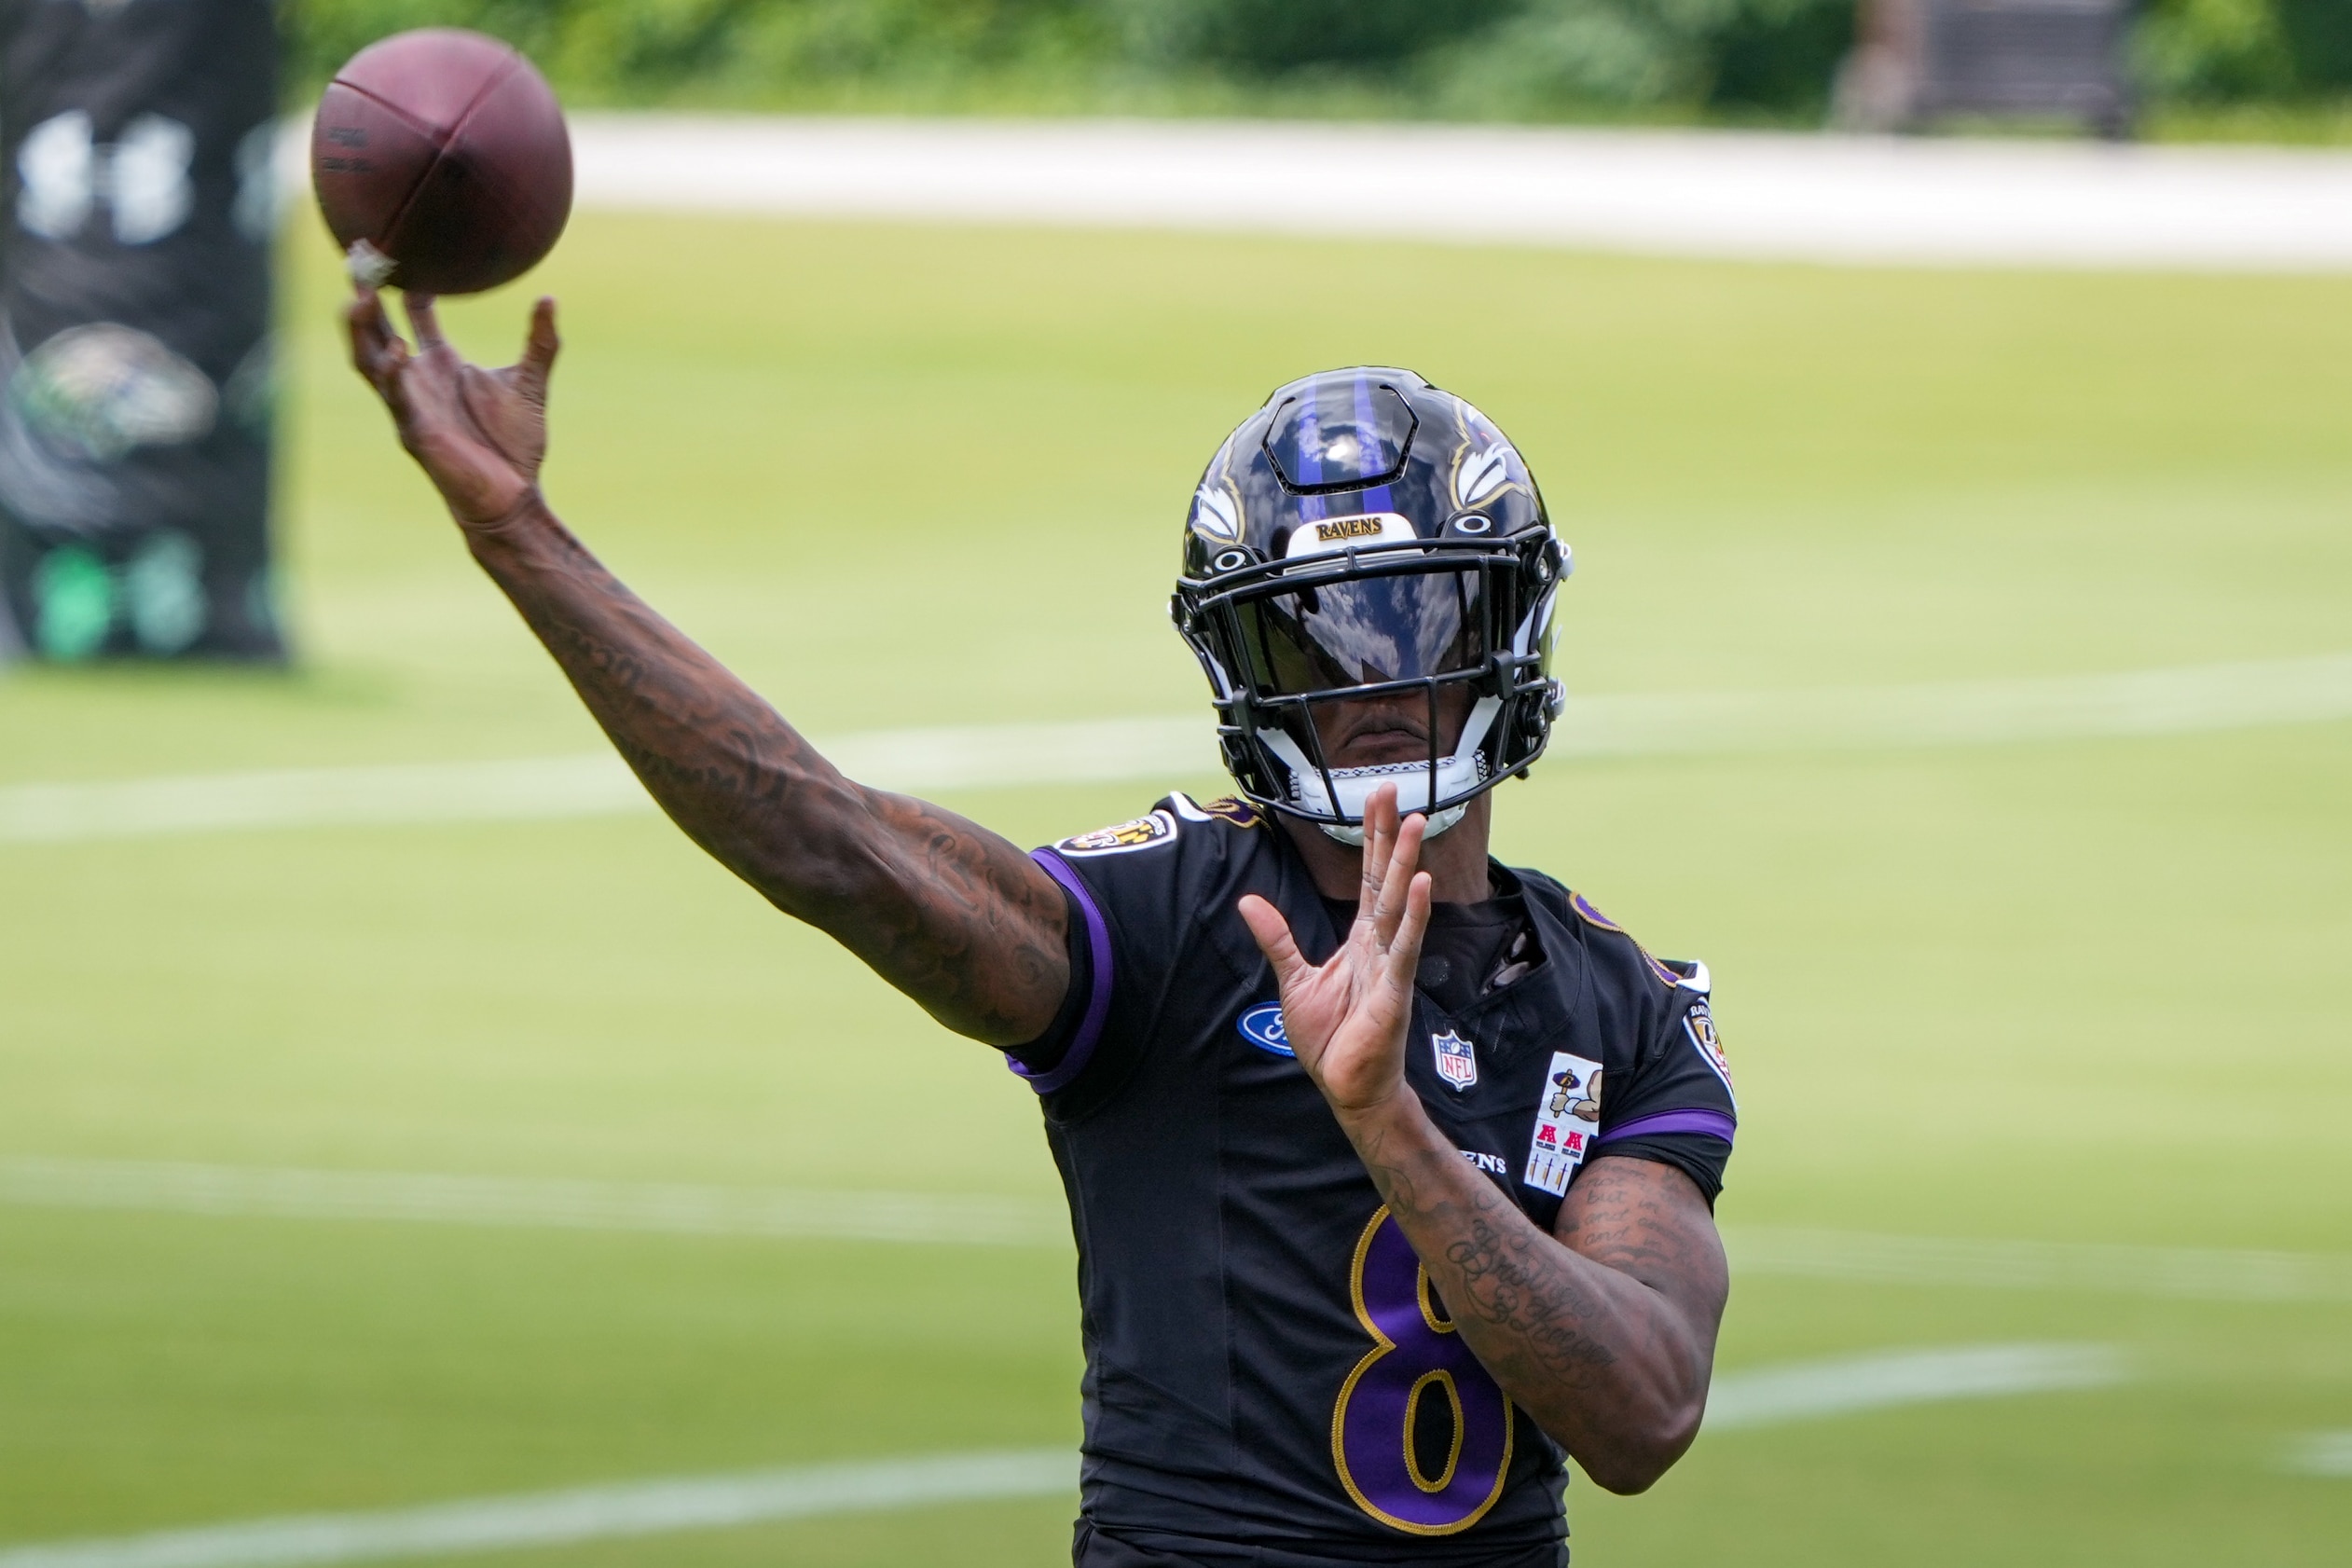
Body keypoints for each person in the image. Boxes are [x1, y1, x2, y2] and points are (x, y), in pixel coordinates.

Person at [349, 287, 1738, 1568]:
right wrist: (517, 534)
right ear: (1240, 669)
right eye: (1311, 640)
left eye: (1419, 622)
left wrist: (1387, 1122)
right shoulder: (1173, 917)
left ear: (1508, 626)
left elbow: (1643, 1410)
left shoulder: (1614, 1000)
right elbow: (827, 841)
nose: (1372, 683)